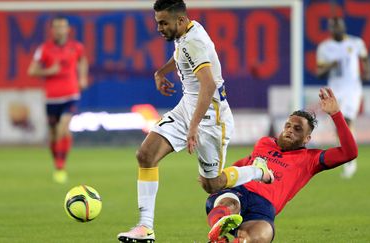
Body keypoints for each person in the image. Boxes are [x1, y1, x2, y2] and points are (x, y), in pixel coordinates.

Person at [117, 0, 274, 242]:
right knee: (145, 155)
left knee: (213, 185)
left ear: (179, 20)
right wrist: (161, 72)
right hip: (187, 108)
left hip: (210, 117)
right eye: (157, 22)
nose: (159, 28)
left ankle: (257, 170)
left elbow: (208, 84)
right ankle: (145, 227)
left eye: (163, 23)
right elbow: (181, 56)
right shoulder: (187, 31)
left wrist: (194, 127)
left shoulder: (194, 41)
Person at [205, 88, 358, 243]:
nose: (290, 131)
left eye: (297, 129)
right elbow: (242, 165)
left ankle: (221, 240)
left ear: (307, 139)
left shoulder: (311, 159)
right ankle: (218, 234)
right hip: (240, 193)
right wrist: (220, 178)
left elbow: (349, 153)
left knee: (259, 236)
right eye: (288, 126)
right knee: (230, 204)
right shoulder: (265, 143)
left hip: (263, 209)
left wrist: (336, 114)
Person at [27, 16, 88, 184]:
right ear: (52, 30)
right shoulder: (44, 49)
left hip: (71, 95)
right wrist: (49, 71)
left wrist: (82, 77)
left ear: (68, 29)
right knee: (53, 135)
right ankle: (57, 163)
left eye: (63, 27)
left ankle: (61, 166)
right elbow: (31, 71)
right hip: (52, 98)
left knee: (63, 128)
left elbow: (83, 61)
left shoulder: (76, 47)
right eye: (57, 27)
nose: (60, 30)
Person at [316, 17, 370, 179]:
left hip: (353, 89)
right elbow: (319, 72)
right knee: (339, 124)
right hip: (335, 90)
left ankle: (350, 161)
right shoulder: (325, 47)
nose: (338, 30)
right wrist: (330, 65)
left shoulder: (356, 43)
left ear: (343, 26)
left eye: (340, 26)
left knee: (347, 120)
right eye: (334, 27)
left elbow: (365, 58)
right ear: (330, 29)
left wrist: (368, 72)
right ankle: (346, 155)